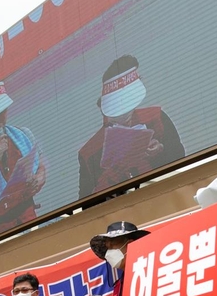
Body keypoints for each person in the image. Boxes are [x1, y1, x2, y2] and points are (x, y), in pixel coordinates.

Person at [78, 55, 185, 198]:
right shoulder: (89, 153)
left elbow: (179, 158)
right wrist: (110, 177)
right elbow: (86, 204)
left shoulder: (156, 117)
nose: (124, 114)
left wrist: (160, 150)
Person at [0, 81, 47, 243]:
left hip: (28, 219)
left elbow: (41, 167)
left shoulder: (23, 135)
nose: (0, 120)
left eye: (2, 113)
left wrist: (38, 180)